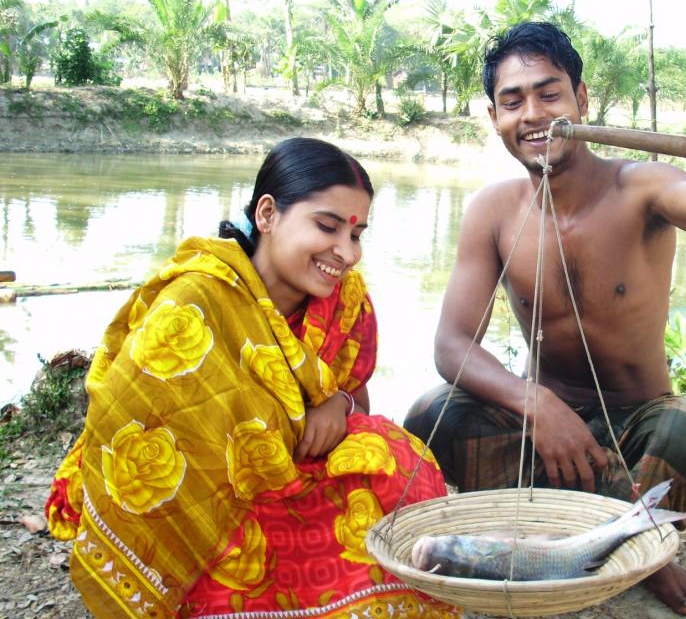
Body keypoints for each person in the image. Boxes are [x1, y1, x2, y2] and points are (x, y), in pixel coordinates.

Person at [404, 22, 686, 616]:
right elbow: (453, 344)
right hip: (542, 429)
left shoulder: (641, 187)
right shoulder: (493, 209)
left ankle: (639, 551)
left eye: (549, 93)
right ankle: (597, 537)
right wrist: (539, 405)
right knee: (431, 415)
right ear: (494, 118)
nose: (533, 114)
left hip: (635, 427)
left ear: (581, 100)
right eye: (513, 102)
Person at [44, 138, 457, 618]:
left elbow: (355, 401)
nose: (346, 253)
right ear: (267, 214)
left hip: (300, 465)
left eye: (357, 234)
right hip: (211, 488)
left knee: (398, 457)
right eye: (327, 227)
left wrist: (338, 406)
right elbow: (135, 417)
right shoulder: (198, 298)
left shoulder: (346, 302)